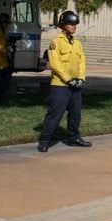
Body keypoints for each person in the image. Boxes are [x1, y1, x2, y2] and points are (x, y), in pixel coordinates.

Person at [37, 11, 91, 152]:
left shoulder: (77, 43)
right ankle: (45, 140)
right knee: (55, 114)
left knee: (75, 113)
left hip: (75, 85)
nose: (74, 26)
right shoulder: (56, 42)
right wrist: (68, 80)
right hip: (60, 85)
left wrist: (80, 78)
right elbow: (55, 64)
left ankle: (74, 137)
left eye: (75, 24)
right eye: (71, 24)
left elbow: (81, 62)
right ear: (63, 25)